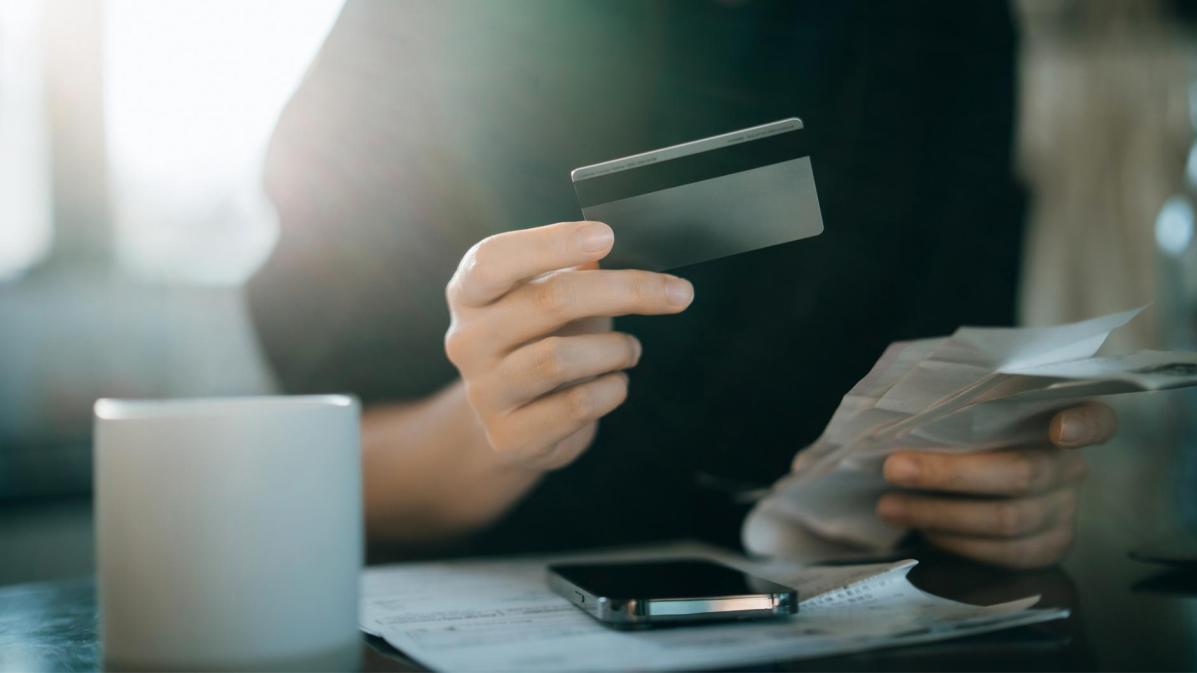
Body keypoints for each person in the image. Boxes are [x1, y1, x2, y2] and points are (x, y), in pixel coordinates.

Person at [248, 0, 1117, 568]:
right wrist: (491, 431)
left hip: (865, 621)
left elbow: (960, 393)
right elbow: (318, 481)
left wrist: (1007, 501)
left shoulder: (946, 26)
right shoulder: (425, 33)